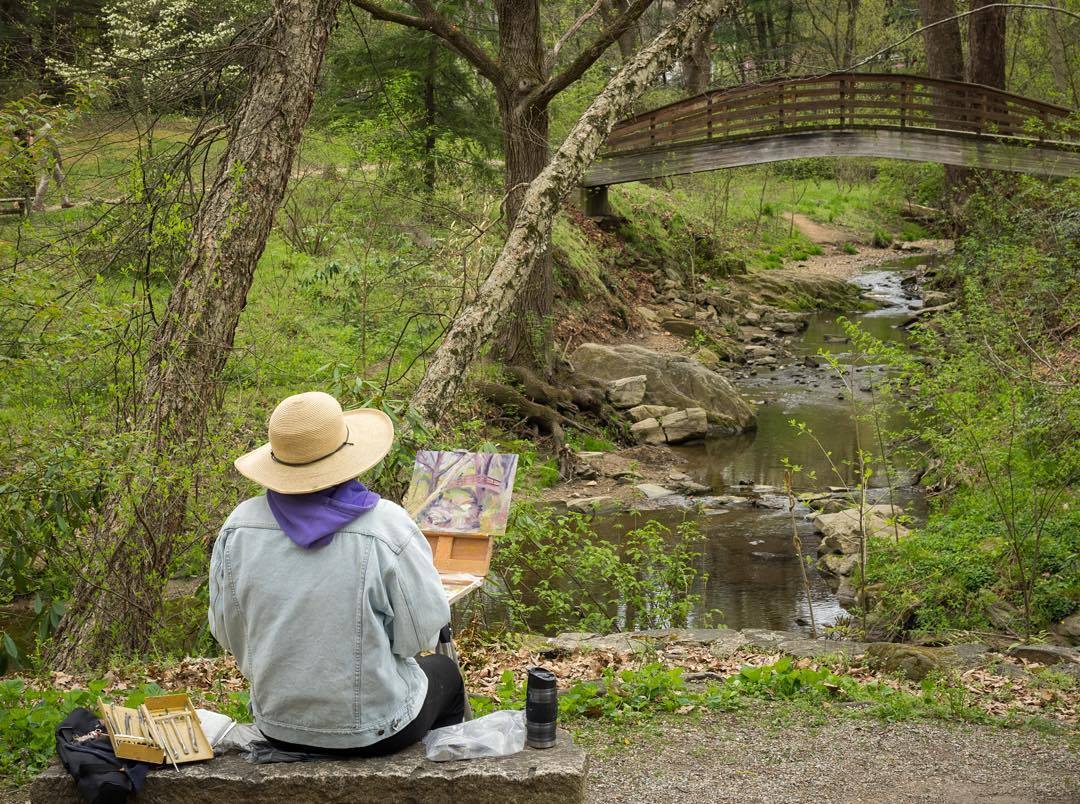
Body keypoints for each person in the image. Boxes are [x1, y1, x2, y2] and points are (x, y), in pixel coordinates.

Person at [209, 391, 465, 755]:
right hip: (374, 729)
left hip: (278, 726)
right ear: (350, 455)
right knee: (446, 674)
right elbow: (418, 637)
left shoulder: (239, 526)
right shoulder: (386, 525)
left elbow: (227, 630)